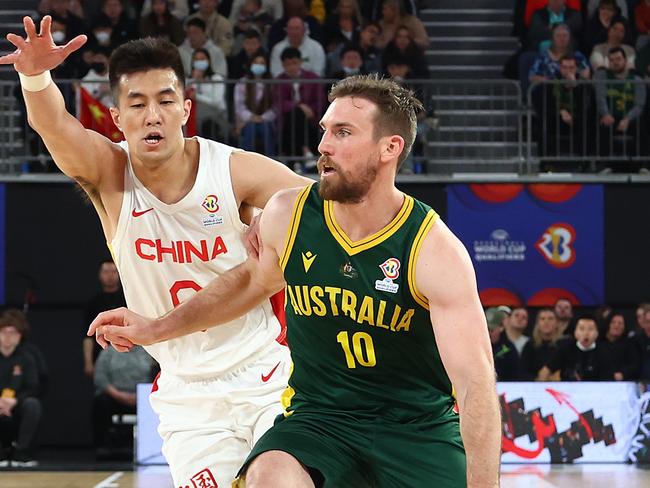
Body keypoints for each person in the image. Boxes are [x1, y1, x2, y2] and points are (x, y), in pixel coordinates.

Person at [90, 74, 501, 488]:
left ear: (389, 148)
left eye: (343, 133)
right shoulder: (289, 214)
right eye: (325, 131)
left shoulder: (433, 251)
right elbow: (248, 284)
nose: (323, 146)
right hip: (320, 421)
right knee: (269, 475)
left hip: (416, 428)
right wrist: (156, 327)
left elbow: (475, 384)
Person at [0, 20, 309, 488]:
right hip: (186, 393)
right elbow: (56, 127)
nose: (153, 115)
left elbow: (325, 203)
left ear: (185, 109)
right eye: (138, 104)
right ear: (116, 117)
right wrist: (36, 78)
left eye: (165, 101)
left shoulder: (232, 170)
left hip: (265, 375)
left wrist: (279, 213)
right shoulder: (109, 173)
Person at [0, 317, 41, 467]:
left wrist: (14, 401)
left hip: (17, 403)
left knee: (32, 404)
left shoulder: (26, 358)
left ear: (19, 336)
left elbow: (33, 386)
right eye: (4, 332)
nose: (8, 336)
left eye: (13, 333)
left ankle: (21, 453)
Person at [83, 260, 126, 379]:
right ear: (100, 275)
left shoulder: (128, 298)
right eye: (106, 272)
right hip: (102, 350)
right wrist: (88, 362)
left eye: (113, 271)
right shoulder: (93, 303)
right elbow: (87, 336)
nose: (110, 275)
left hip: (129, 351)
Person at [543, 315, 615, 381]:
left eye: (590, 329)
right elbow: (546, 370)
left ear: (597, 333)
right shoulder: (565, 348)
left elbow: (608, 381)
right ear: (575, 332)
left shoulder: (604, 352)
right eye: (581, 329)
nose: (586, 333)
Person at [234, 50, 276, 154]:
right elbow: (239, 106)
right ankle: (246, 162)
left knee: (265, 128)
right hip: (246, 121)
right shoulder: (242, 83)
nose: (258, 65)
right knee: (251, 128)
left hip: (266, 121)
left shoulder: (272, 84)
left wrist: (263, 117)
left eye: (262, 63)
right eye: (256, 63)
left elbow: (275, 107)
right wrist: (251, 117)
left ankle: (271, 161)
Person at [521, 308, 561, 380]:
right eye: (542, 319)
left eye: (550, 319)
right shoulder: (530, 345)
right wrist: (538, 379)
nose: (546, 322)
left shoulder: (564, 344)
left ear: (557, 323)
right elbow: (522, 371)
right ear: (538, 324)